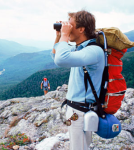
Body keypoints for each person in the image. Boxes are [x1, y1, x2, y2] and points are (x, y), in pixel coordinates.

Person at [51, 10, 104, 150]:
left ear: (81, 29)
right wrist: (59, 37)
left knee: (78, 147)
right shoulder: (81, 49)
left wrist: (64, 35)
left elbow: (61, 60)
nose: (67, 27)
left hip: (80, 112)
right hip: (75, 110)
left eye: (70, 24)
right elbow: (56, 57)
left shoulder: (93, 51)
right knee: (78, 145)